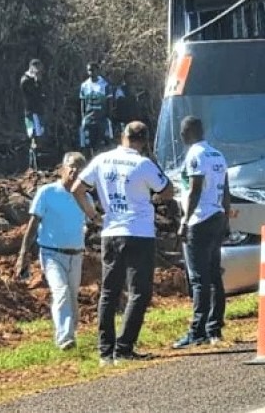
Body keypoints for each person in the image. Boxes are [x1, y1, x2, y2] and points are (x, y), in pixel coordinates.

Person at [71, 121, 173, 366]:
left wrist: (93, 215)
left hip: (111, 231)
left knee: (109, 291)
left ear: (122, 136)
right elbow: (168, 190)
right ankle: (125, 346)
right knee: (139, 291)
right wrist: (155, 199)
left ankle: (105, 351)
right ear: (145, 141)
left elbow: (77, 188)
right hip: (139, 232)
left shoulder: (102, 160)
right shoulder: (143, 163)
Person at [15, 152, 98, 351]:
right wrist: (23, 255)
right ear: (61, 169)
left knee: (71, 296)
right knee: (60, 292)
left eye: (79, 169)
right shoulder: (47, 192)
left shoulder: (85, 198)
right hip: (52, 253)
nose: (74, 171)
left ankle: (70, 332)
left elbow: (91, 223)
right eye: (71, 167)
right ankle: (64, 339)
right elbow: (33, 225)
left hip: (75, 254)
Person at [173, 116, 230, 349]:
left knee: (198, 278)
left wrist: (185, 221)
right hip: (217, 216)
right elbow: (226, 190)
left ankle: (197, 331)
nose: (180, 136)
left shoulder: (194, 155)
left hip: (199, 219)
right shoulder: (218, 155)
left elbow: (195, 189)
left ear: (189, 132)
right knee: (214, 275)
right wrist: (226, 218)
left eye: (182, 132)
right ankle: (214, 327)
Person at [79, 62, 113, 158]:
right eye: (89, 70)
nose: (91, 72)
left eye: (93, 70)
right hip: (89, 120)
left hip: (101, 120)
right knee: (87, 145)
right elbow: (82, 103)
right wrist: (83, 117)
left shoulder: (105, 85)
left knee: (102, 145)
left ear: (98, 71)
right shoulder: (84, 85)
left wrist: (108, 117)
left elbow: (109, 102)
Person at [20, 59, 47, 171]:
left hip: (39, 112)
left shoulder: (37, 80)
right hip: (32, 113)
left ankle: (34, 165)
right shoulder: (26, 80)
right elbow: (32, 93)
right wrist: (36, 81)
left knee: (39, 138)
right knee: (34, 137)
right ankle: (33, 167)